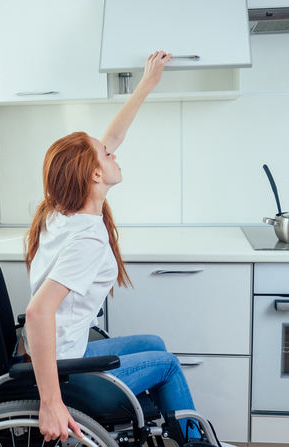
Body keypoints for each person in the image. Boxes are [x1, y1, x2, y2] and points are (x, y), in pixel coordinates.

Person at [22, 51, 209, 444]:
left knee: (154, 345)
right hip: (68, 372)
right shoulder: (87, 236)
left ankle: (157, 431)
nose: (114, 153)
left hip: (68, 353)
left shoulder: (63, 208)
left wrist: (148, 82)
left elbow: (112, 137)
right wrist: (50, 403)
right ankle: (194, 441)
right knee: (168, 364)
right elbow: (38, 312)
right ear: (93, 174)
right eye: (106, 155)